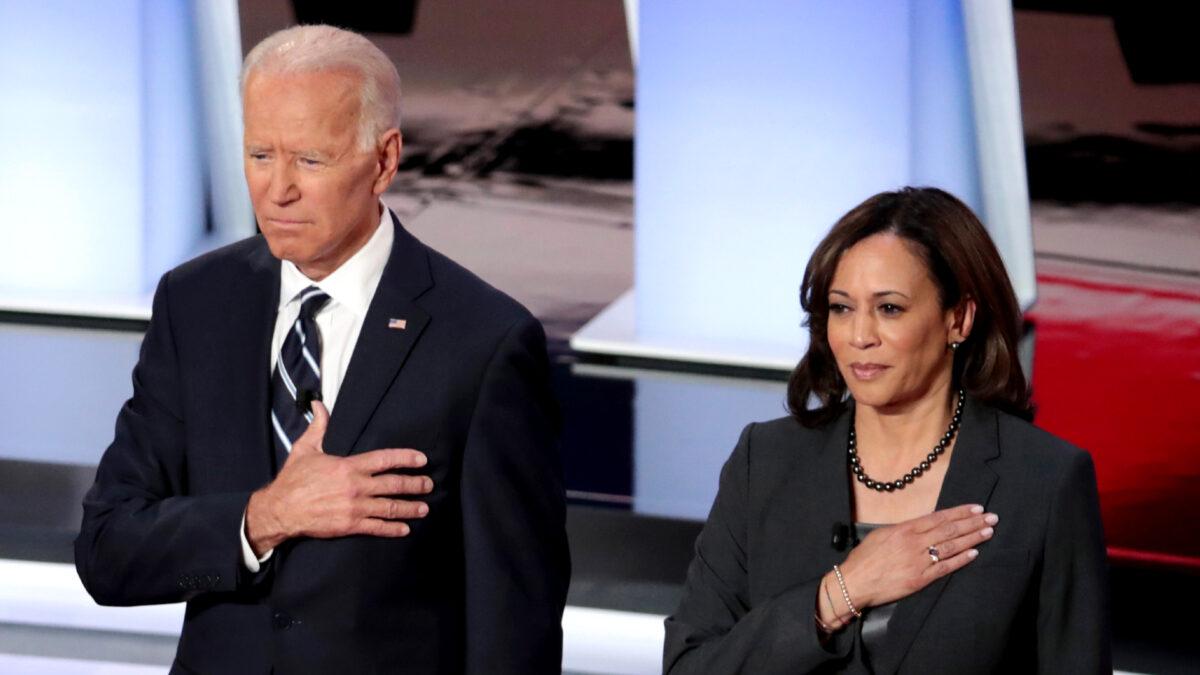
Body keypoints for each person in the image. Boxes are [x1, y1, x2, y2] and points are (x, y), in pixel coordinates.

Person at [75, 25, 569, 674]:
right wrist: (264, 516)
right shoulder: (195, 304)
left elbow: (514, 627)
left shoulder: (483, 342)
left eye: (309, 160)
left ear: (384, 160)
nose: (277, 190)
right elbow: (108, 549)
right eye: (259, 156)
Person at [663, 187, 1110, 673]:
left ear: (958, 318)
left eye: (889, 308)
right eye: (841, 307)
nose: (859, 336)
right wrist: (839, 593)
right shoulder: (764, 461)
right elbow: (689, 666)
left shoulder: (1043, 481)